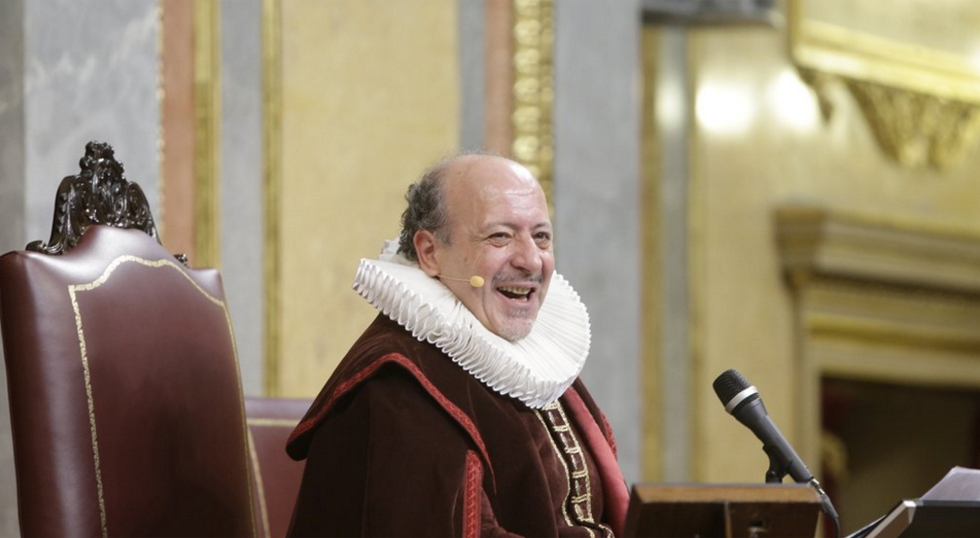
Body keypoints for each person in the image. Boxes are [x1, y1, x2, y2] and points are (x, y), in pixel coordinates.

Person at [286, 154, 628, 537]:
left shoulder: (534, 361)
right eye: (500, 235)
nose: (531, 259)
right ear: (430, 252)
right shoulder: (400, 387)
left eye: (542, 236)